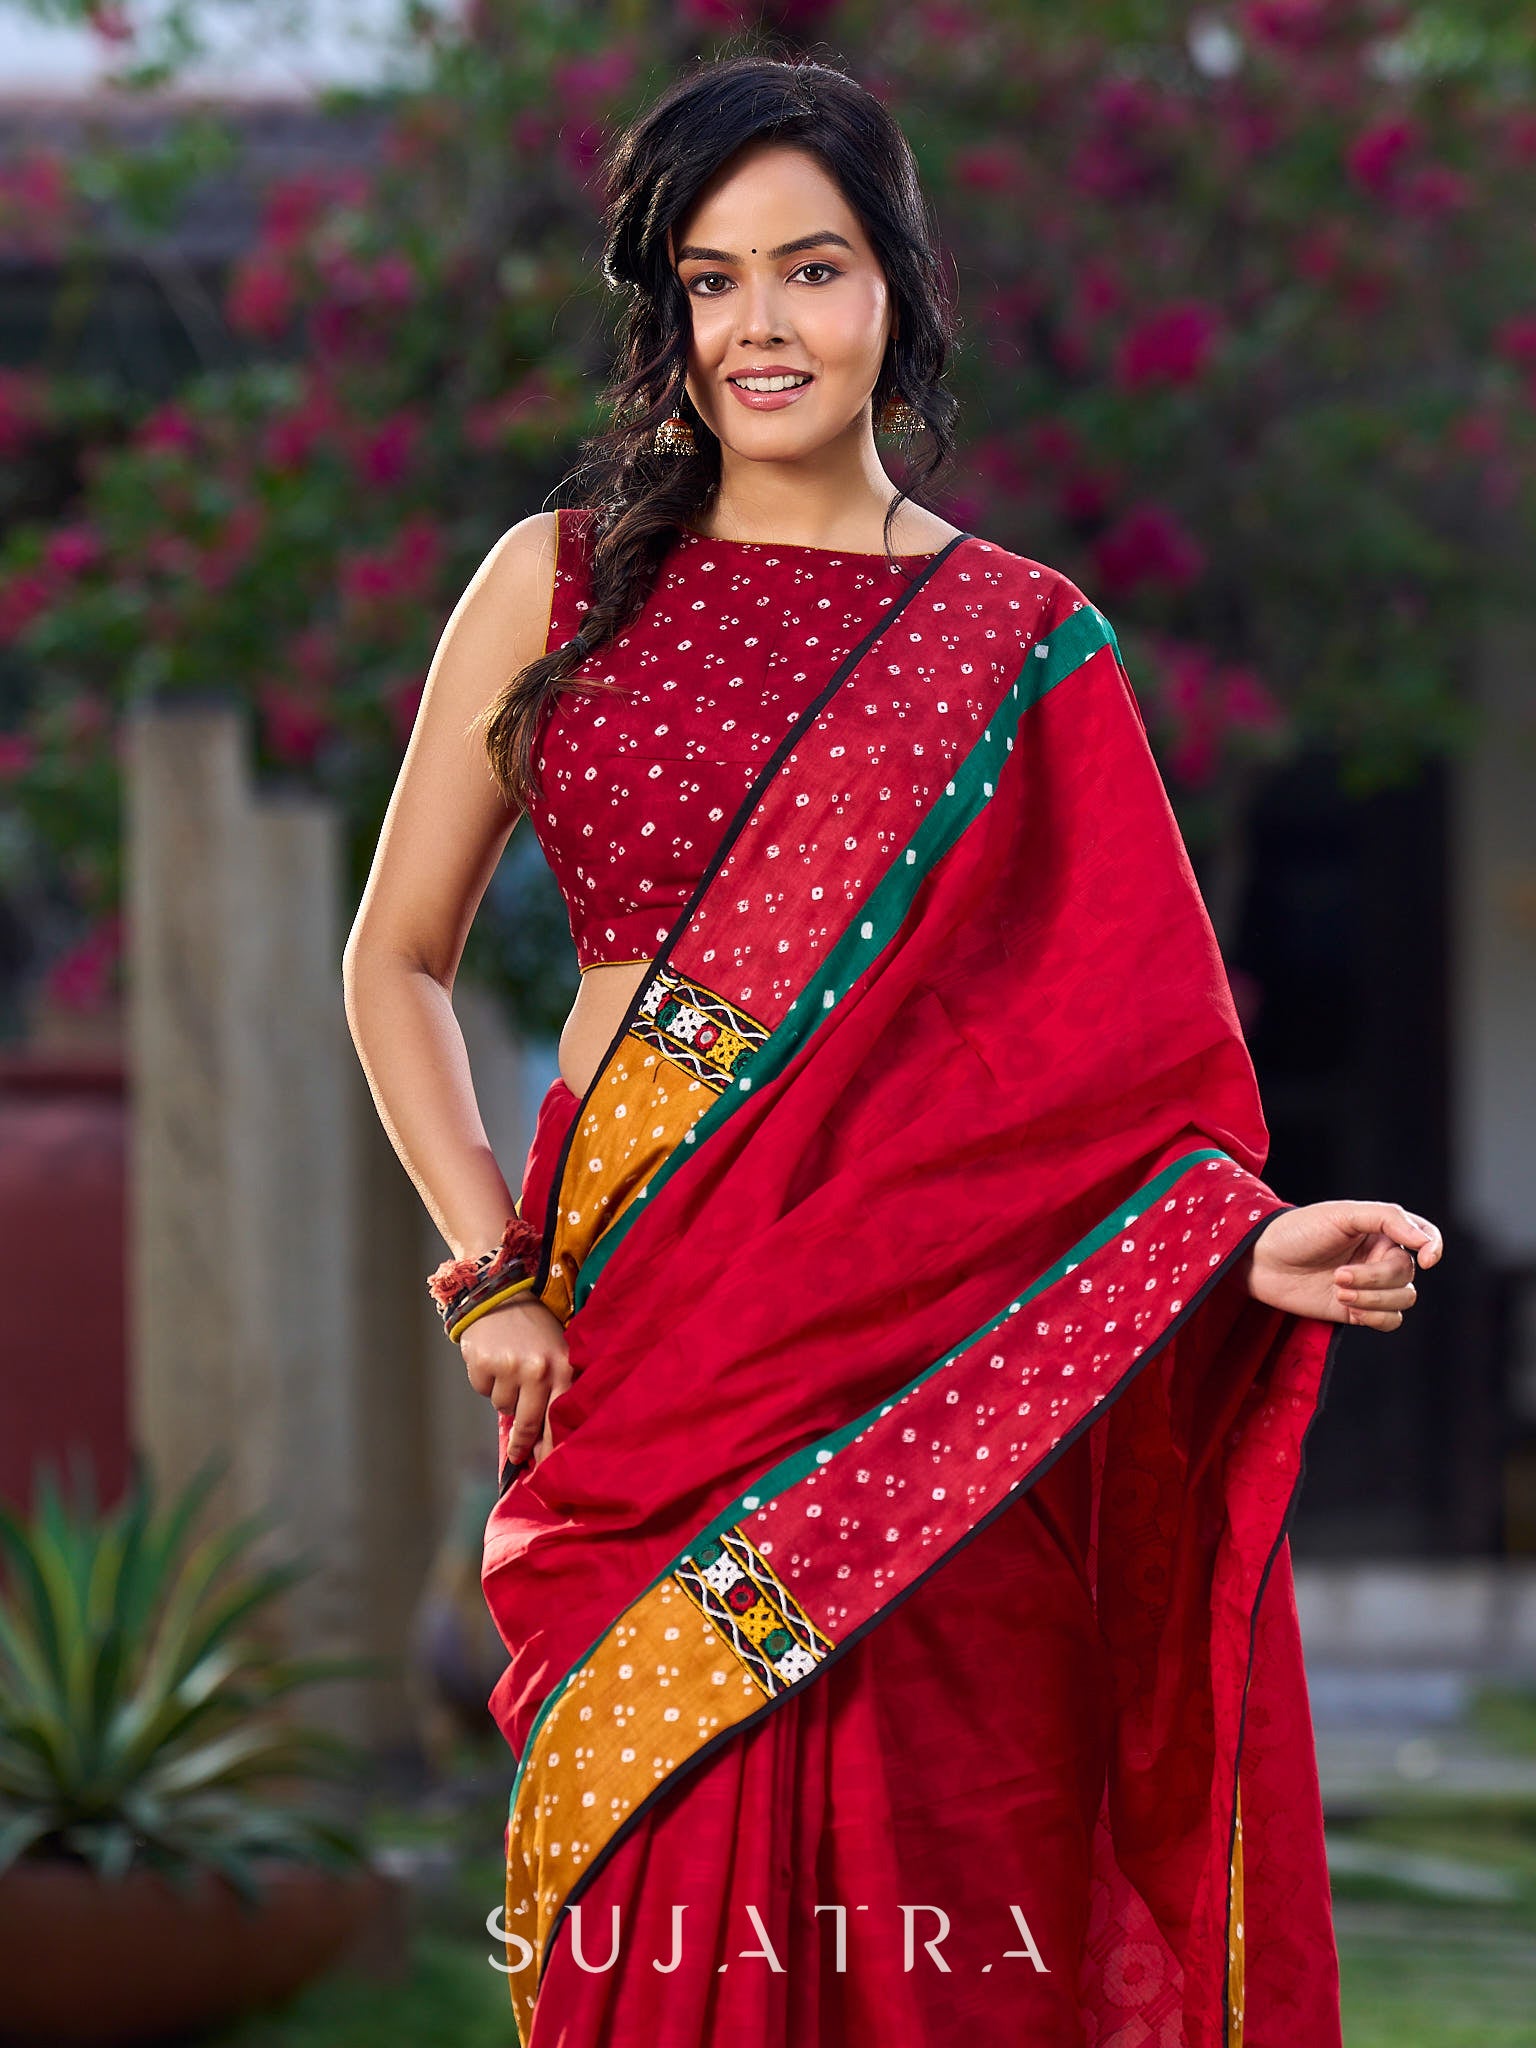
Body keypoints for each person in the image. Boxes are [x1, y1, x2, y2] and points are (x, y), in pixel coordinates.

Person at [342, 50, 1442, 2048]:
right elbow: (393, 962)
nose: (758, 325)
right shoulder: (554, 583)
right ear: (666, 309)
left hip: (929, 1413)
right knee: (645, 1878)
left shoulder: (1019, 645)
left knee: (937, 1887)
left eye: (811, 268)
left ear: (898, 291)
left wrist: (1239, 1244)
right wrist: (492, 1265)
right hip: (642, 1340)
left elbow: (1111, 1071)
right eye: (711, 279)